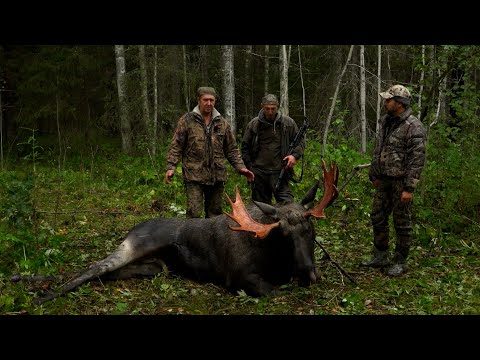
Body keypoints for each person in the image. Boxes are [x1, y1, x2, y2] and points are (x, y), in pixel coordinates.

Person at [361, 84, 427, 277]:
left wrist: (409, 187)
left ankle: (400, 261)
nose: (385, 102)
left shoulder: (413, 126)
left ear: (399, 103)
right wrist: (374, 174)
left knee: (401, 222)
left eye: (388, 100)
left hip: (401, 182)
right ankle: (380, 255)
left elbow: (417, 159)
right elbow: (379, 149)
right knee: (377, 216)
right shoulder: (385, 121)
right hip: (384, 180)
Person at [165, 86, 254, 218]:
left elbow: (231, 150)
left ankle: (211, 239)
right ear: (198, 100)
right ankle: (192, 239)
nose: (209, 103)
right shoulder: (187, 120)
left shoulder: (222, 123)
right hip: (194, 175)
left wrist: (241, 168)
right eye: (205, 100)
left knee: (215, 215)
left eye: (212, 100)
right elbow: (176, 145)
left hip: (216, 176)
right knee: (193, 213)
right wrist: (171, 167)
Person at [241, 94, 305, 205]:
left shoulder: (288, 123)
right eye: (267, 109)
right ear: (262, 107)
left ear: (278, 107)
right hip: (259, 173)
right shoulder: (253, 125)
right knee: (260, 209)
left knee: (288, 205)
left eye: (273, 109)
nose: (270, 112)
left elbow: (301, 142)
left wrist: (294, 156)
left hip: (281, 171)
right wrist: (250, 168)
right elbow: (245, 148)